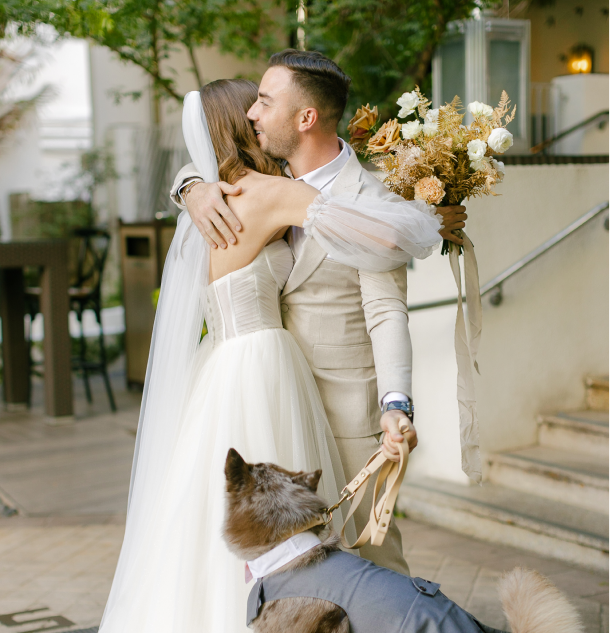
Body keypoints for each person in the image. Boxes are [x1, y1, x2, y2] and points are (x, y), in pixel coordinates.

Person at [99, 78, 444, 632]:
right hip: (261, 365)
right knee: (293, 527)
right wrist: (431, 222)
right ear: (241, 125)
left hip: (223, 365)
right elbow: (380, 235)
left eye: (267, 102)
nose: (261, 113)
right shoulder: (264, 192)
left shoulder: (216, 198)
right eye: (253, 106)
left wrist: (190, 185)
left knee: (221, 522)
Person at [171, 49, 467, 575]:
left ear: (305, 117)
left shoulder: (369, 199)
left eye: (264, 102)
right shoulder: (253, 179)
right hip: (271, 400)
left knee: (371, 558)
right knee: (282, 561)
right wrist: (191, 188)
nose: (252, 115)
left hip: (347, 415)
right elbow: (211, 151)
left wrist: (397, 404)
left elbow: (386, 313)